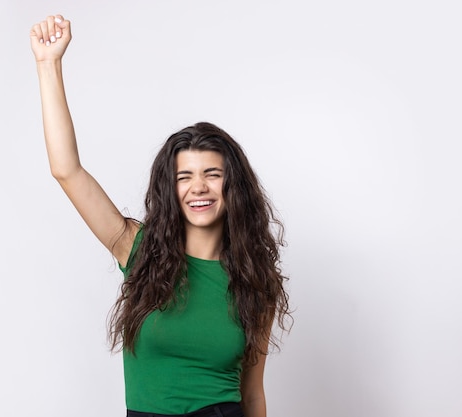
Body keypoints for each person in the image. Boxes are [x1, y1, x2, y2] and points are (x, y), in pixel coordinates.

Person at [30, 15, 290, 417]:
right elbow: (67, 170)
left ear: (232, 186)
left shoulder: (255, 280)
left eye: (212, 175)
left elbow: (253, 393)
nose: (198, 187)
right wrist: (49, 65)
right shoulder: (137, 249)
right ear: (171, 190)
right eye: (184, 177)